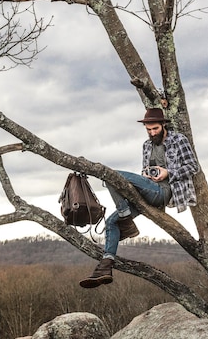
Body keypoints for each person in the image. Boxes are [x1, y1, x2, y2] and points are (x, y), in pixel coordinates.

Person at [79, 107, 200, 288]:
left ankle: (125, 216)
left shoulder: (178, 140)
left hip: (164, 192)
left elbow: (193, 166)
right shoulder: (146, 145)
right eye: (149, 130)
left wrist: (168, 173)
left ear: (163, 125)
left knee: (110, 174)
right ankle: (105, 267)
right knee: (111, 223)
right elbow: (145, 172)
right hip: (148, 189)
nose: (152, 133)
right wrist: (146, 175)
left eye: (155, 129)